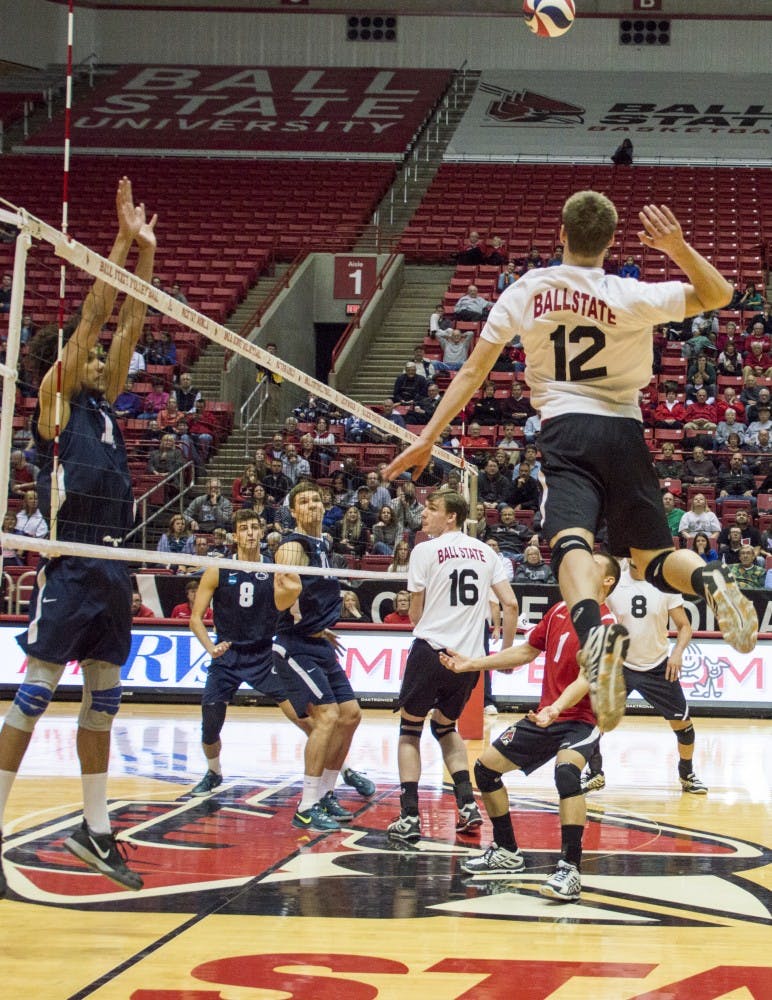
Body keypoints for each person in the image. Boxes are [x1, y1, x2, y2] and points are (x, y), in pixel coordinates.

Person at [385, 191, 758, 734]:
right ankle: (711, 582)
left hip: (565, 429)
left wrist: (428, 437)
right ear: (610, 243)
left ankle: (594, 631)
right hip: (625, 428)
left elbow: (470, 375)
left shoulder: (526, 291)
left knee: (572, 545)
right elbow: (721, 293)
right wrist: (675, 246)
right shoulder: (629, 293)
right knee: (653, 559)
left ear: (560, 232)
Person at [0, 177, 156, 895]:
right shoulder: (55, 408)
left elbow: (128, 326)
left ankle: (95, 830)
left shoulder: (104, 409)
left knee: (104, 702)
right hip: (69, 569)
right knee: (33, 699)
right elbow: (96, 321)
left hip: (113, 570)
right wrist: (118, 242)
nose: (100, 362)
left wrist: (145, 258)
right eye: (87, 357)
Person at [441, 552, 621, 901]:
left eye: (592, 567)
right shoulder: (557, 611)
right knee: (486, 770)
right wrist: (472, 665)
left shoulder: (608, 625)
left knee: (567, 775)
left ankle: (570, 869)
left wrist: (556, 707)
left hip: (580, 720)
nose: (580, 571)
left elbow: (587, 679)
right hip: (546, 715)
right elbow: (526, 651)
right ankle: (507, 851)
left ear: (607, 581)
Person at [387, 491, 518, 845]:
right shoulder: (487, 552)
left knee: (409, 730)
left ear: (451, 517)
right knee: (446, 726)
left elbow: (414, 615)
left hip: (431, 651)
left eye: (432, 509)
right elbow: (510, 603)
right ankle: (466, 804)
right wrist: (503, 654)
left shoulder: (424, 551)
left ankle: (410, 815)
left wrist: (429, 615)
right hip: (468, 661)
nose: (424, 514)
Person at [187, 510, 315, 796]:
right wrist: (211, 647)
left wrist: (317, 630)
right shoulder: (217, 569)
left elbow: (294, 611)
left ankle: (340, 769)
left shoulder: (274, 570)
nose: (249, 533)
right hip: (227, 657)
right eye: (243, 528)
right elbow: (196, 618)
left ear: (261, 532)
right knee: (209, 727)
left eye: (255, 527)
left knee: (304, 718)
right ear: (234, 535)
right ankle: (214, 771)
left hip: (263, 654)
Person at [272, 482, 374, 832]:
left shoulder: (324, 544)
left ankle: (327, 792)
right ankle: (307, 805)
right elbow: (282, 597)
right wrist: (289, 585)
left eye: (317, 498)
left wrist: (321, 626)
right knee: (327, 717)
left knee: (350, 715)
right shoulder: (293, 546)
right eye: (304, 501)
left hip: (318, 641)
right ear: (294, 511)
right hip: (295, 645)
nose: (313, 505)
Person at [582, 559, 706, 796]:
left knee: (684, 726)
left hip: (659, 665)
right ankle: (595, 773)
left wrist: (677, 653)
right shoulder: (615, 580)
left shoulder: (665, 583)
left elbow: (684, 626)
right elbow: (592, 610)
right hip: (620, 664)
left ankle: (686, 774)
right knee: (593, 721)